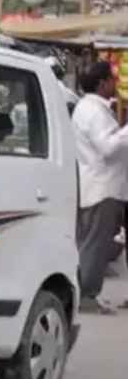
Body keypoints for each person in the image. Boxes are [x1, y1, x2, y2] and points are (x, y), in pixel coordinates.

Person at [72, 61, 128, 314]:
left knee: (92, 242)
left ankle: (86, 293)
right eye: (112, 79)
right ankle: (87, 295)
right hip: (102, 186)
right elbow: (107, 147)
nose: (115, 84)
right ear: (102, 83)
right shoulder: (94, 112)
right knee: (95, 244)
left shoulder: (88, 108)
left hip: (96, 184)